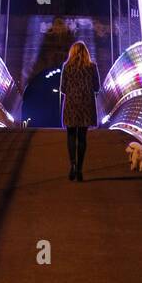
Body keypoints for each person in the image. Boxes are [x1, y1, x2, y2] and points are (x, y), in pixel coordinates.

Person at [59, 41, 100, 181]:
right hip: (86, 104)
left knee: (71, 136)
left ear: (72, 52)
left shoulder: (67, 67)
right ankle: (80, 170)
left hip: (71, 104)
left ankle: (73, 165)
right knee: (82, 137)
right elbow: (97, 87)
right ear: (86, 53)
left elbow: (62, 88)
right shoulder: (92, 67)